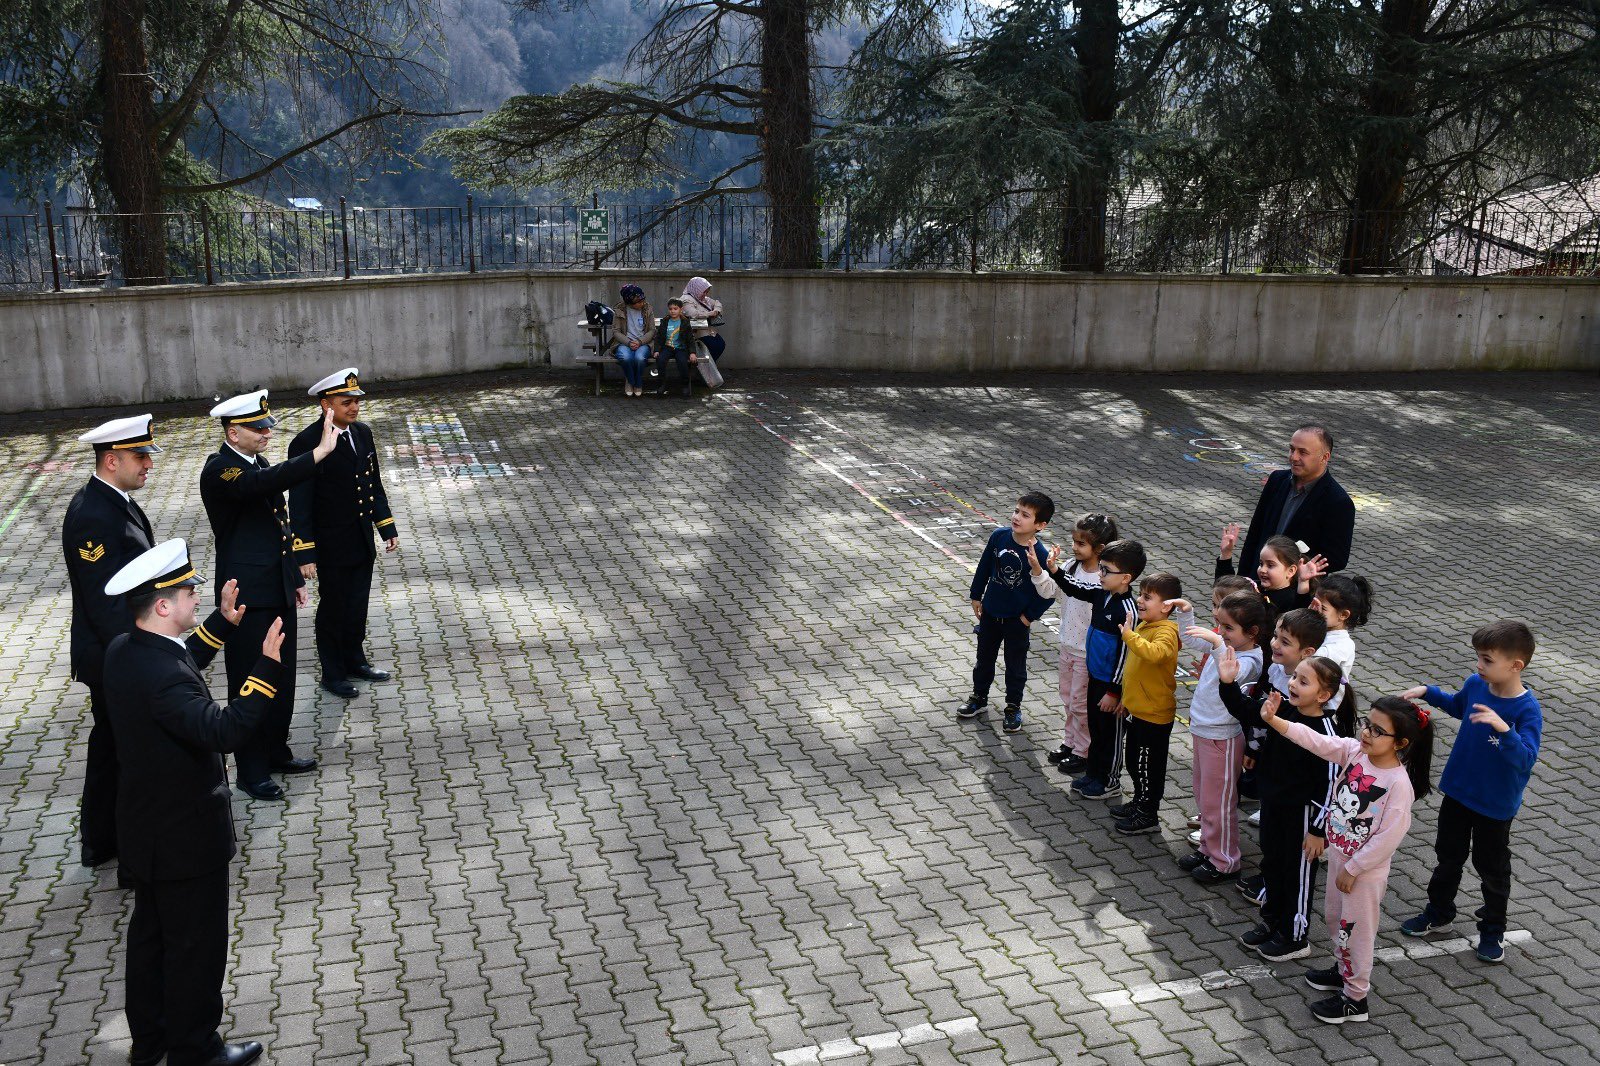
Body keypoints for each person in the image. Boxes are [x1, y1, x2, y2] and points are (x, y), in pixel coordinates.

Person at [103, 538, 283, 1066]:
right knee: (195, 949)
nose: (194, 596)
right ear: (162, 605)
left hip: (148, 830)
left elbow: (181, 662)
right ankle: (195, 1050)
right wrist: (265, 668)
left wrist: (221, 625)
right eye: (187, 592)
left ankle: (153, 1040)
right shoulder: (161, 679)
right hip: (185, 839)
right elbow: (223, 729)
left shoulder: (126, 650)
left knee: (152, 941)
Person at [1260, 690, 1433, 1025]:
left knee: (1356, 932)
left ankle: (1355, 998)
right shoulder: (1356, 753)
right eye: (1368, 724)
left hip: (1363, 873)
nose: (1367, 732)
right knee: (1334, 920)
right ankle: (1342, 970)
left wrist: (1354, 869)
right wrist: (1273, 720)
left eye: (1378, 731)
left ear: (1401, 743)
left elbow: (1388, 838)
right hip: (1341, 857)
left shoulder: (1398, 785)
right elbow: (1314, 740)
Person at [201, 391, 341, 801]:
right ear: (233, 432)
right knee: (250, 679)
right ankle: (251, 769)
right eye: (258, 427)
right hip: (246, 598)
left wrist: (293, 577)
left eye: (267, 426)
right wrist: (318, 453)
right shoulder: (221, 470)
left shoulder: (255, 460)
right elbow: (264, 484)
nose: (266, 433)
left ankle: (276, 751)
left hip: (275, 587)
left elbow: (279, 528)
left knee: (280, 677)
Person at [1399, 620, 1541, 963]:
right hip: (1459, 792)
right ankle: (1439, 913)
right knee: (1448, 855)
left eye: (1487, 659)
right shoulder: (1476, 684)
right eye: (1478, 657)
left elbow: (1525, 760)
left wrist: (1504, 729)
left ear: (1515, 665)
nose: (1479, 665)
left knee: (1492, 868)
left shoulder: (1527, 710)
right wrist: (1429, 693)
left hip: (1494, 805)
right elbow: (1460, 707)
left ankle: (1492, 930)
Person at [60, 413, 161, 872]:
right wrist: (139, 657)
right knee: (120, 749)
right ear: (111, 458)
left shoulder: (114, 499)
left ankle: (102, 841)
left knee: (111, 746)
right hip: (112, 654)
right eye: (140, 456)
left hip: (119, 650)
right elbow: (106, 604)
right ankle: (109, 841)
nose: (149, 465)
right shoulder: (92, 515)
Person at [1222, 651, 1349, 962]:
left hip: (1303, 818)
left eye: (1303, 682)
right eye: (1295, 677)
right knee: (1273, 867)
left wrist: (1319, 831)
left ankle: (1295, 936)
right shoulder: (1286, 711)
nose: (1293, 684)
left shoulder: (1327, 735)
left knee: (1297, 876)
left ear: (1323, 695)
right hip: (1274, 808)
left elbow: (1332, 788)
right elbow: (1246, 710)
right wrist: (1227, 682)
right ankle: (1273, 922)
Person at [288, 369, 399, 699]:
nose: (354, 408)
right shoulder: (306, 443)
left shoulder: (362, 434)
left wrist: (386, 527)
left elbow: (372, 485)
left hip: (361, 540)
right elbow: (301, 501)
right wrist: (304, 552)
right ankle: (332, 673)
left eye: (356, 401)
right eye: (346, 402)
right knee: (334, 609)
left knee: (357, 606)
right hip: (331, 544)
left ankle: (355, 660)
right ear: (326, 405)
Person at [1034, 538, 1146, 800]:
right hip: (1095, 677)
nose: (1100, 574)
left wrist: (1115, 691)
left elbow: (1124, 655)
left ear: (1126, 578)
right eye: (1101, 568)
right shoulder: (1102, 592)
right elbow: (1076, 588)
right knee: (1096, 729)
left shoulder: (1127, 610)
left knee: (1110, 734)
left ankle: (1110, 781)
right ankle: (1094, 774)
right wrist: (1055, 571)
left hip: (1111, 686)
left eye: (1106, 570)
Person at [1175, 590, 1273, 883]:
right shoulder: (1225, 645)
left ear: (1253, 632)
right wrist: (1186, 613)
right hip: (1203, 733)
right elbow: (1192, 639)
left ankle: (1226, 861)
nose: (1221, 632)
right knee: (1205, 799)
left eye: (1229, 628)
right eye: (1219, 625)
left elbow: (1230, 673)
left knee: (1220, 804)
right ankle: (1208, 849)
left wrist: (1218, 644)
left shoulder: (1252, 659)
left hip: (1223, 739)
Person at [957, 494, 1055, 734]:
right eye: (1016, 511)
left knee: (1015, 666)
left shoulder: (1040, 555)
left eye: (1025, 515)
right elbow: (984, 567)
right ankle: (979, 698)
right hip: (990, 614)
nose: (1016, 517)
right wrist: (976, 594)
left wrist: (1028, 617)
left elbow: (1049, 593)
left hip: (1016, 621)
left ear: (1040, 525)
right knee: (984, 660)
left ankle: (1013, 707)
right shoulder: (999, 536)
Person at [1038, 513, 1118, 776]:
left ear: (1100, 549)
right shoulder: (1071, 566)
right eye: (1074, 541)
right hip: (1067, 647)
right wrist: (1039, 571)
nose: (1074, 547)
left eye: (1081, 544)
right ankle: (1070, 742)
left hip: (1087, 653)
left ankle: (1083, 751)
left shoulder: (1104, 581)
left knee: (1081, 704)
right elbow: (1052, 592)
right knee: (1067, 699)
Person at [1109, 572, 1182, 835]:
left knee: (1148, 767)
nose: (1140, 600)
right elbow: (1135, 670)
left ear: (1167, 606)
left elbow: (1155, 654)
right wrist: (1127, 701)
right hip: (1138, 711)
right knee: (1133, 761)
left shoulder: (1166, 632)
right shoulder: (1146, 626)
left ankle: (1148, 814)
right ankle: (1140, 802)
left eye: (1147, 597)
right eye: (1140, 594)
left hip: (1154, 716)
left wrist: (1129, 635)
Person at [1232, 424, 1355, 579]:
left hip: (1295, 592)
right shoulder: (1277, 480)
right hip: (1257, 579)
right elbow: (1255, 534)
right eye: (1292, 449)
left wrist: (1294, 567)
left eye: (1303, 452)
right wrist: (1242, 578)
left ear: (1325, 457)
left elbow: (1337, 558)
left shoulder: (1338, 502)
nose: (1294, 457)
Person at [1217, 529, 1306, 616]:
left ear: (1291, 571)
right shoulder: (1253, 587)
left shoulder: (1291, 599)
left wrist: (1303, 583)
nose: (1263, 569)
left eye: (1270, 565)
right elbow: (1226, 589)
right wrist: (1226, 554)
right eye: (1261, 563)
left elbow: (1298, 618)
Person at [610, 284, 655, 397]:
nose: (642, 303)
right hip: (624, 343)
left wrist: (640, 341)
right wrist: (629, 342)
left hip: (644, 342)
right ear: (629, 302)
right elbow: (616, 332)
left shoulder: (648, 309)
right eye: (638, 302)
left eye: (642, 300)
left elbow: (652, 330)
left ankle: (636, 383)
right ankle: (631, 381)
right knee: (626, 358)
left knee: (640, 358)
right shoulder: (619, 310)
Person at [654, 298, 697, 397]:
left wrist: (692, 352)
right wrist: (656, 350)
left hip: (680, 348)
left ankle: (685, 385)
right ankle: (662, 384)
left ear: (680, 309)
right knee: (660, 360)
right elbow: (659, 337)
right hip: (667, 347)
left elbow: (690, 339)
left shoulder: (685, 322)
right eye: (670, 309)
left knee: (682, 362)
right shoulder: (665, 321)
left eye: (675, 308)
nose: (673, 311)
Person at [679, 276, 725, 362]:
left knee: (720, 344)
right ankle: (702, 367)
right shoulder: (686, 299)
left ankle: (707, 367)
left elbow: (717, 303)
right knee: (715, 346)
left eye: (706, 292)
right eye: (703, 292)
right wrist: (709, 314)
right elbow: (693, 314)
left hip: (707, 331)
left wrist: (716, 310)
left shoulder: (703, 299)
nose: (705, 294)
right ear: (697, 289)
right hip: (695, 333)